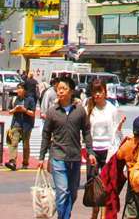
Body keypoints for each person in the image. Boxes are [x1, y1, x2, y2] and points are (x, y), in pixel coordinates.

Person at [38, 76, 97, 219]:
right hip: (58, 156)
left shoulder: (80, 111)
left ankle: (65, 215)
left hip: (75, 157)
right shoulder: (52, 112)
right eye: (58, 89)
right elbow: (46, 135)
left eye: (64, 89)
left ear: (71, 91)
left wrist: (90, 152)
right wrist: (41, 157)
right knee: (63, 191)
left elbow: (87, 131)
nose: (60, 92)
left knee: (72, 192)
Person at [87, 78, 126, 217]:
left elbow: (116, 130)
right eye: (95, 92)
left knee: (106, 185)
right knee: (93, 183)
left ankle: (104, 215)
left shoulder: (112, 109)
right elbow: (86, 131)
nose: (97, 94)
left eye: (100, 91)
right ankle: (94, 212)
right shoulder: (89, 108)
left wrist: (120, 128)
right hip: (93, 150)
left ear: (105, 92)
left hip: (108, 150)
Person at [4, 80, 36, 171]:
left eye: (20, 89)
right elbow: (10, 111)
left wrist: (24, 110)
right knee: (13, 143)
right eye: (18, 89)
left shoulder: (30, 99)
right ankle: (12, 162)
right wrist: (15, 110)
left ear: (25, 90)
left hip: (26, 125)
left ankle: (25, 163)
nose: (18, 91)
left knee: (25, 145)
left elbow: (33, 113)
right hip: (16, 124)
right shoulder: (15, 99)